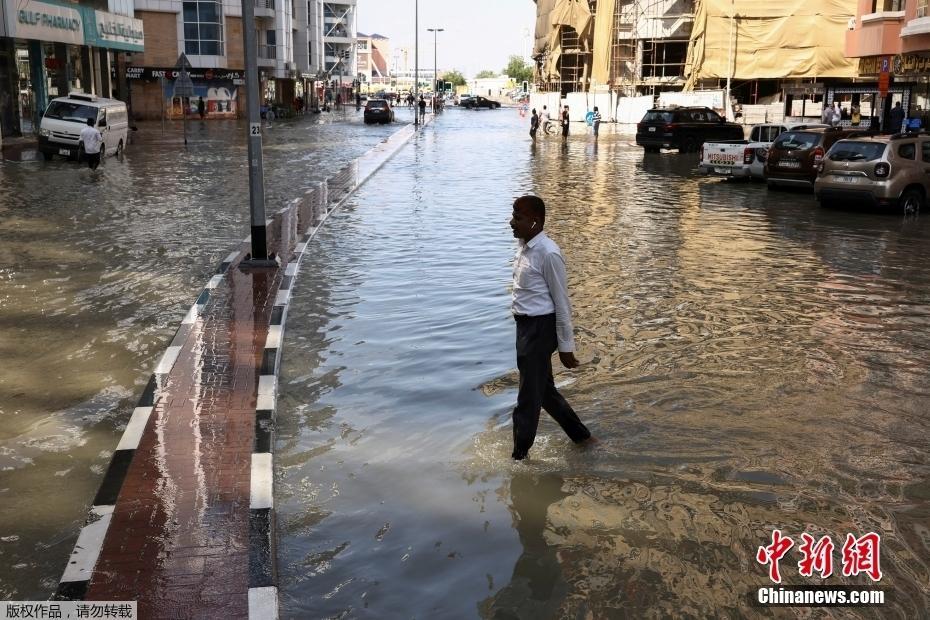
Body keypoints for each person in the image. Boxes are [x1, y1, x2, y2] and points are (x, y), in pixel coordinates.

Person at [508, 195, 593, 460]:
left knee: (528, 398)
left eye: (518, 218)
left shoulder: (549, 253)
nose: (512, 222)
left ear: (536, 220)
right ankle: (582, 438)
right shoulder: (525, 246)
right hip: (525, 328)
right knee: (543, 391)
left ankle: (519, 457)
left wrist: (566, 347)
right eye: (513, 216)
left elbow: (562, 302)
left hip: (538, 330)